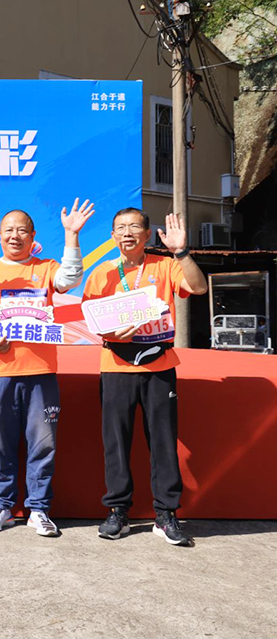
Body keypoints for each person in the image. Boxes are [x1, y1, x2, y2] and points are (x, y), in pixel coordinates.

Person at [0, 200, 94, 537]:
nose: (15, 236)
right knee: (1, 443)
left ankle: (38, 509)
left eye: (22, 230)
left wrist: (71, 235)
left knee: (43, 444)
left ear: (32, 235)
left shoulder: (46, 267)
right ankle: (2, 506)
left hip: (41, 372)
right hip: (0, 372)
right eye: (9, 230)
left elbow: (69, 278)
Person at [84, 210, 207, 546]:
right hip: (115, 366)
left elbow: (198, 287)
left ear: (148, 234)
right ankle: (117, 511)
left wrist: (181, 252)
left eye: (134, 227)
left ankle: (166, 514)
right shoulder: (101, 273)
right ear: (112, 235)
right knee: (116, 443)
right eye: (120, 228)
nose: (127, 233)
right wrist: (111, 332)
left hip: (159, 366)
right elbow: (91, 320)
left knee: (163, 442)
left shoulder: (165, 265)